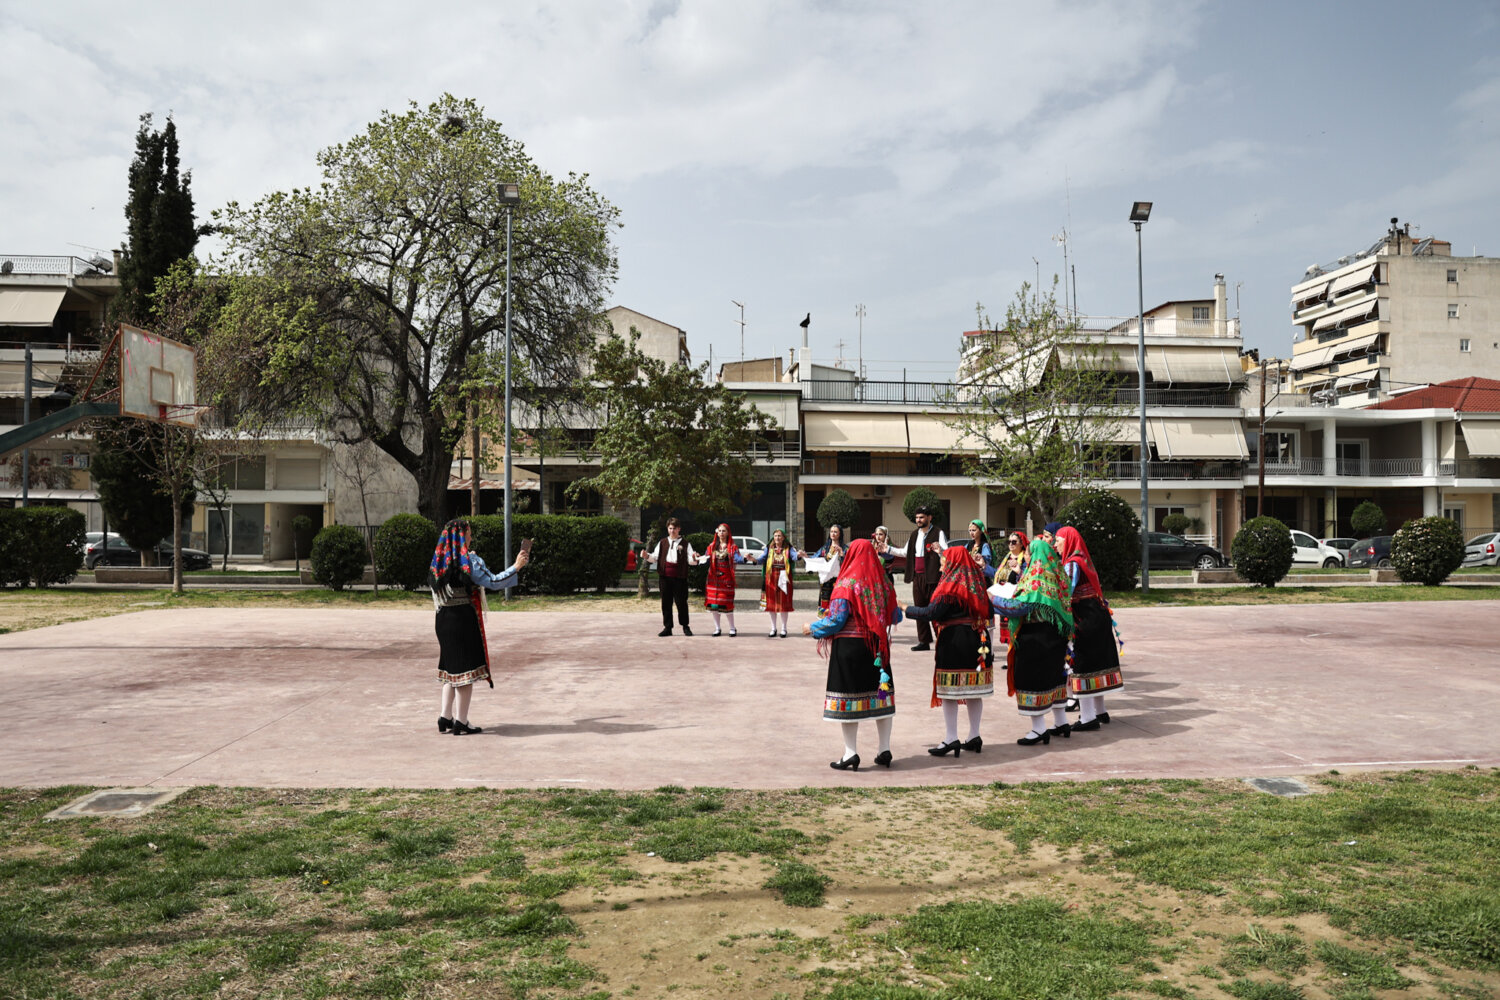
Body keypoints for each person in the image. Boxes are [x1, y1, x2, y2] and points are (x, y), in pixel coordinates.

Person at [802, 539, 903, 771]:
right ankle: (884, 749)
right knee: (881, 696)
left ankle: (850, 753)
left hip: (849, 648)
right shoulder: (883, 585)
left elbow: (836, 620)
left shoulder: (845, 584)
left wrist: (813, 628)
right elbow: (895, 617)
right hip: (877, 649)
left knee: (848, 699)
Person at [430, 519, 530, 735]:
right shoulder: (469, 561)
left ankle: (445, 717)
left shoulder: (440, 560)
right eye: (469, 534)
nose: (471, 537)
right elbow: (493, 582)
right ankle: (461, 721)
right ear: (462, 536)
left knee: (450, 670)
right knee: (465, 672)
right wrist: (516, 566)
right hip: (462, 620)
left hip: (443, 618)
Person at [904, 543, 994, 757]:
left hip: (954, 642)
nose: (942, 568)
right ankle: (974, 735)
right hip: (977, 640)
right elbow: (989, 610)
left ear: (953, 563)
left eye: (944, 563)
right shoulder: (978, 582)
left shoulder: (950, 586)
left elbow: (932, 612)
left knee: (950, 692)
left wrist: (906, 609)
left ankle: (951, 738)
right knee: (974, 691)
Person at [990, 538, 1074, 746]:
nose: (1025, 555)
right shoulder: (1057, 573)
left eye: (1028, 551)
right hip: (1057, 636)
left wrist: (992, 600)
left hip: (1035, 638)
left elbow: (1020, 607)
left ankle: (1039, 729)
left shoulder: (1036, 575)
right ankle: (1062, 722)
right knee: (1055, 678)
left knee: (1032, 680)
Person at [1053, 526, 1124, 731]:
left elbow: (1065, 590)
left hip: (1084, 619)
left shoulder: (1072, 564)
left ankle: (1087, 718)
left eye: (1058, 540)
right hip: (1096, 616)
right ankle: (1100, 711)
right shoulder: (1083, 560)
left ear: (1068, 541)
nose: (1055, 544)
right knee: (1095, 663)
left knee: (1082, 664)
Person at [643, 517, 697, 637]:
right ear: (667, 529)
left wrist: (694, 558)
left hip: (680, 577)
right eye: (670, 528)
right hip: (665, 577)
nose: (672, 531)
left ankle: (685, 626)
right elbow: (654, 558)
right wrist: (647, 556)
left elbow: (690, 560)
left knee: (681, 603)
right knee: (666, 603)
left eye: (674, 528)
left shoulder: (685, 543)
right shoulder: (662, 542)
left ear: (679, 529)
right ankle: (668, 627)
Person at [902, 506, 947, 651]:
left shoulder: (938, 532)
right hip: (918, 577)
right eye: (917, 518)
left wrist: (940, 550)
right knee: (919, 608)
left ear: (929, 517)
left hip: (933, 577)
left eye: (921, 517)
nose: (918, 520)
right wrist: (888, 549)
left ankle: (942, 639)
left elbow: (946, 553)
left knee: (935, 609)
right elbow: (904, 552)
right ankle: (924, 641)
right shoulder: (915, 534)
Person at [747, 528, 802, 637]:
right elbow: (761, 559)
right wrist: (753, 559)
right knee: (771, 604)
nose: (777, 538)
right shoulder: (769, 548)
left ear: (783, 538)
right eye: (775, 535)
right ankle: (773, 628)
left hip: (784, 578)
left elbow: (794, 556)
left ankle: (784, 629)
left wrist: (799, 555)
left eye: (779, 536)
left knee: (783, 604)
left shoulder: (788, 548)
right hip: (771, 578)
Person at [695, 522, 746, 636]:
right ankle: (717, 628)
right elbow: (705, 559)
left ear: (728, 533)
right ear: (716, 532)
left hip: (726, 580)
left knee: (727, 605)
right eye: (720, 531)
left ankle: (732, 628)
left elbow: (738, 559)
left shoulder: (733, 547)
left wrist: (747, 559)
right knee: (714, 605)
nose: (721, 533)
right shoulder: (712, 546)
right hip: (713, 580)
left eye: (724, 531)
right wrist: (697, 558)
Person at [815, 523, 846, 609]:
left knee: (838, 601)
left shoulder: (845, 549)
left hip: (839, 580)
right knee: (825, 601)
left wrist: (842, 555)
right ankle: (824, 619)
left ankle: (837, 619)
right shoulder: (825, 548)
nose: (833, 533)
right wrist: (805, 556)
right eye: (831, 531)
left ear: (840, 534)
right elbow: (815, 558)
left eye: (835, 532)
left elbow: (848, 563)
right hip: (826, 581)